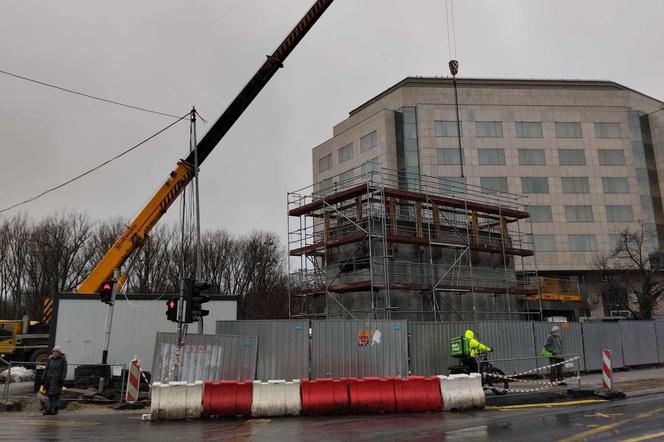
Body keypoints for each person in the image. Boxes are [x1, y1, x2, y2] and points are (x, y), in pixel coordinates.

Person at [42, 346, 67, 415]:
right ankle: (49, 410)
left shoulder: (63, 360)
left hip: (58, 380)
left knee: (57, 395)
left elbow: (64, 370)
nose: (55, 353)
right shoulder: (50, 359)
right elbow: (46, 369)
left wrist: (62, 379)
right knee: (49, 395)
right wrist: (43, 378)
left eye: (57, 352)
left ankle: (55, 408)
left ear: (60, 353)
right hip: (49, 380)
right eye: (54, 351)